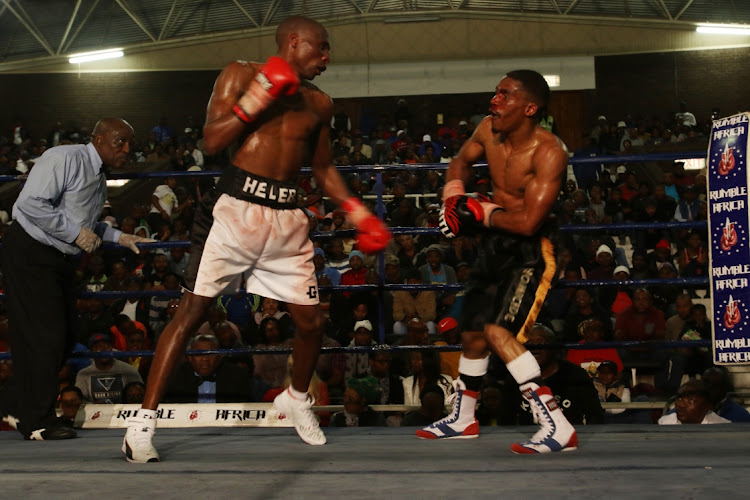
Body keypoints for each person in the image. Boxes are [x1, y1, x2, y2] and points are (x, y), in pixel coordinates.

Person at [123, 16, 391, 462]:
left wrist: (359, 212)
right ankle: (142, 425)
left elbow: (322, 169)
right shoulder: (240, 73)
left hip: (287, 217)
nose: (327, 59)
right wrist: (261, 94)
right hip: (235, 210)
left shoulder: (320, 103)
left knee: (311, 322)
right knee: (191, 314)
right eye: (321, 49)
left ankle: (296, 398)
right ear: (294, 41)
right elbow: (211, 140)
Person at [416, 70, 578, 453]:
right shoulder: (489, 129)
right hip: (494, 244)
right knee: (472, 332)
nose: (494, 101)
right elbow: (459, 161)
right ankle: (463, 418)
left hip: (531, 249)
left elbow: (528, 222)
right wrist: (454, 198)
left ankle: (557, 424)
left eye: (504, 95)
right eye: (496, 92)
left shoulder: (549, 152)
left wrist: (482, 211)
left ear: (529, 107)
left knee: (496, 332)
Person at [0, 117, 152, 441]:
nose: (127, 149)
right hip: (31, 252)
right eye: (120, 142)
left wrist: (119, 236)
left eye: (129, 143)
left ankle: (14, 406)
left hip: (59, 259)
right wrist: (75, 233)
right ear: (98, 139)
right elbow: (29, 203)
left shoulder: (98, 178)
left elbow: (85, 225)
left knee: (68, 335)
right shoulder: (64, 158)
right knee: (46, 337)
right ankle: (38, 422)